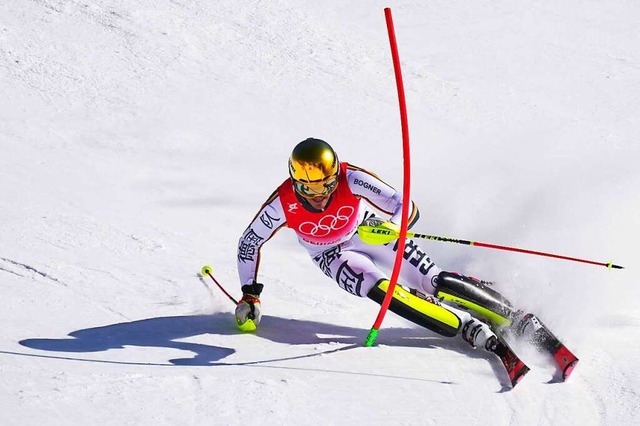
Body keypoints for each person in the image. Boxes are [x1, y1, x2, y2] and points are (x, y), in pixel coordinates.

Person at [235, 137, 557, 359]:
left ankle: (514, 316)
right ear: (294, 182)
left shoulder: (352, 177)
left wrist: (392, 227)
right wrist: (250, 293)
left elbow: (405, 206)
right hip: (330, 254)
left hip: (367, 231)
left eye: (325, 186)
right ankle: (464, 327)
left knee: (434, 281)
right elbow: (249, 243)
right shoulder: (283, 203)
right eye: (307, 188)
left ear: (335, 177)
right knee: (379, 289)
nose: (317, 196)